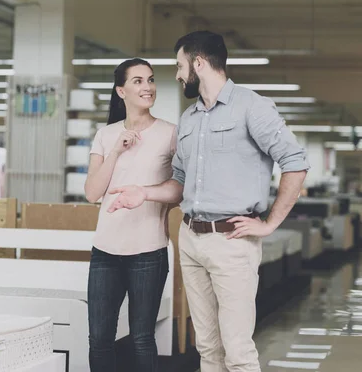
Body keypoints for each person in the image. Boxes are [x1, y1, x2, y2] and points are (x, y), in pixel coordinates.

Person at [107, 31, 309, 372]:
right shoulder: (190, 119)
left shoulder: (251, 106)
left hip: (232, 241)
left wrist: (271, 223)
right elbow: (180, 183)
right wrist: (145, 192)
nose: (177, 74)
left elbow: (296, 162)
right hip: (191, 239)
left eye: (179, 66)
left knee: (238, 351)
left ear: (199, 63)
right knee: (208, 348)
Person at [84, 58, 177, 372]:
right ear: (120, 91)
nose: (147, 87)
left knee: (141, 337)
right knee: (99, 339)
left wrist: (145, 191)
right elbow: (92, 192)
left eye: (150, 80)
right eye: (137, 81)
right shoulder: (106, 134)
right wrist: (116, 151)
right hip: (105, 251)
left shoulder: (170, 134)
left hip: (148, 251)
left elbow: (179, 190)